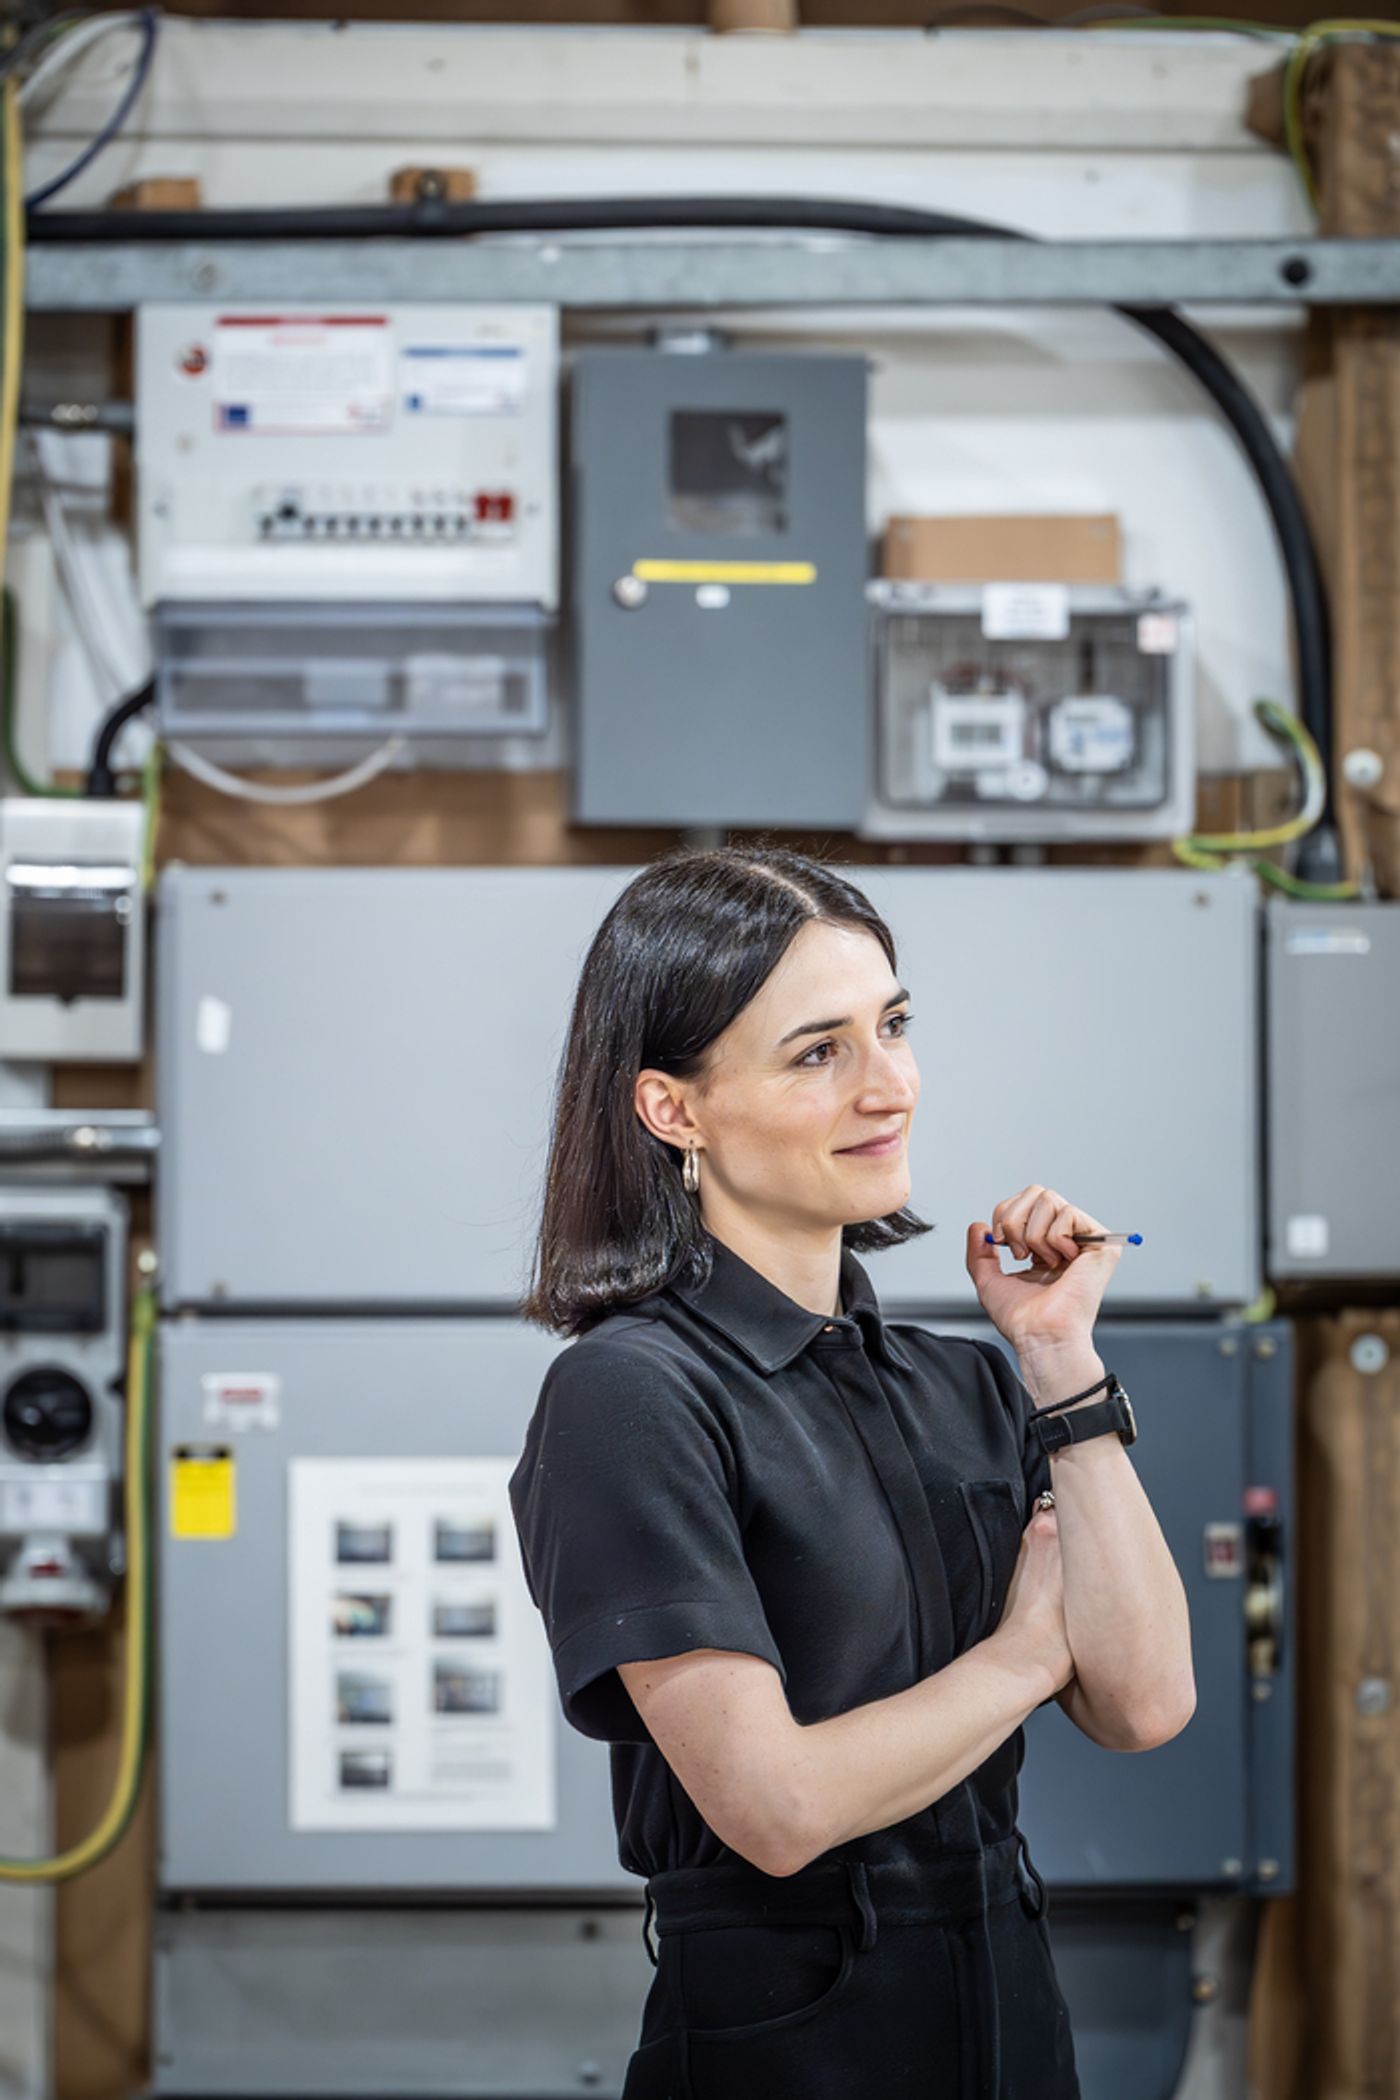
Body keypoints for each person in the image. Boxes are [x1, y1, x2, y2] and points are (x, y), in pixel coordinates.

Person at [509, 845, 1195, 2100]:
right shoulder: (629, 1395)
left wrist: (1056, 1362)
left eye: (891, 1025)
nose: (888, 1086)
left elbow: (1143, 1703)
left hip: (1010, 2008)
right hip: (789, 2034)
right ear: (673, 1109)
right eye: (817, 1051)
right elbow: (773, 1806)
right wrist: (1026, 1656)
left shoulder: (962, 1381)